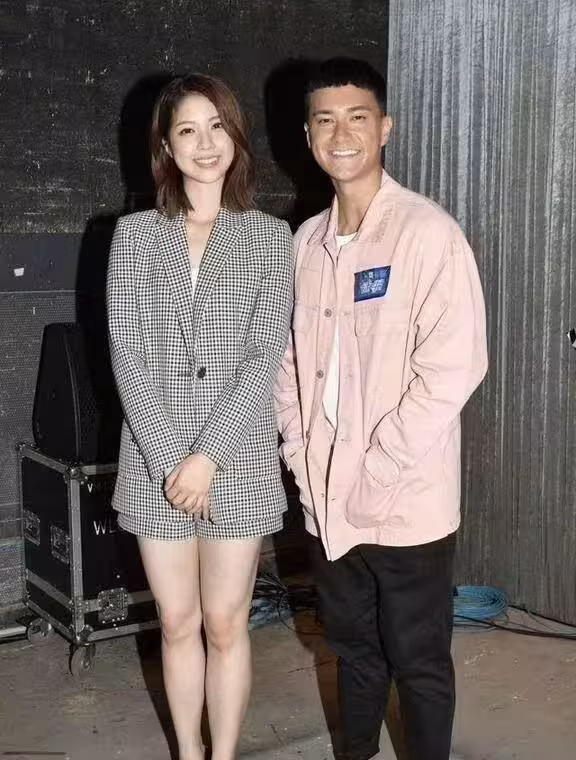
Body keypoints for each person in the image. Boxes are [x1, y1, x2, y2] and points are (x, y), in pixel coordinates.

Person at [274, 58, 488, 760]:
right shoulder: (303, 244)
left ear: (385, 127)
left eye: (357, 117)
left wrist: (379, 466)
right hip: (326, 497)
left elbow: (453, 367)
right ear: (309, 136)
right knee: (352, 649)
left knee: (418, 659)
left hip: (406, 500)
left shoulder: (427, 234)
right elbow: (287, 368)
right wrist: (301, 455)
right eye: (325, 120)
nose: (342, 134)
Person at [106, 73, 293, 760]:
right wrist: (172, 463)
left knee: (226, 622)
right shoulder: (133, 237)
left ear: (236, 138)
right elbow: (126, 353)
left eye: (217, 126)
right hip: (154, 463)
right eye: (188, 129)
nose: (205, 143)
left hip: (236, 459)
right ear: (166, 145)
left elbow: (264, 354)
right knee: (178, 622)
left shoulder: (270, 238)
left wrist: (208, 457)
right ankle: (189, 752)